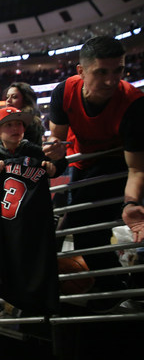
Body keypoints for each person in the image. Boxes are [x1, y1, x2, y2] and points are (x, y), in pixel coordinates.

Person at [44, 35, 144, 308]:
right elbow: (57, 140)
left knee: (88, 228)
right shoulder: (64, 91)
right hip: (83, 163)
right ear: (81, 71)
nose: (111, 80)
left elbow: (136, 168)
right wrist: (53, 150)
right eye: (101, 72)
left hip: (119, 164)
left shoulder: (134, 103)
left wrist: (130, 202)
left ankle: (118, 287)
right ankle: (115, 286)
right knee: (84, 230)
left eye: (118, 70)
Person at [0, 107, 67, 316]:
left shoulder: (33, 149)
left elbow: (59, 163)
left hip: (32, 220)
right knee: (2, 260)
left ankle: (31, 305)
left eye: (19, 124)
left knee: (33, 259)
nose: (15, 128)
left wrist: (54, 166)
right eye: (9, 124)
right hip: (6, 220)